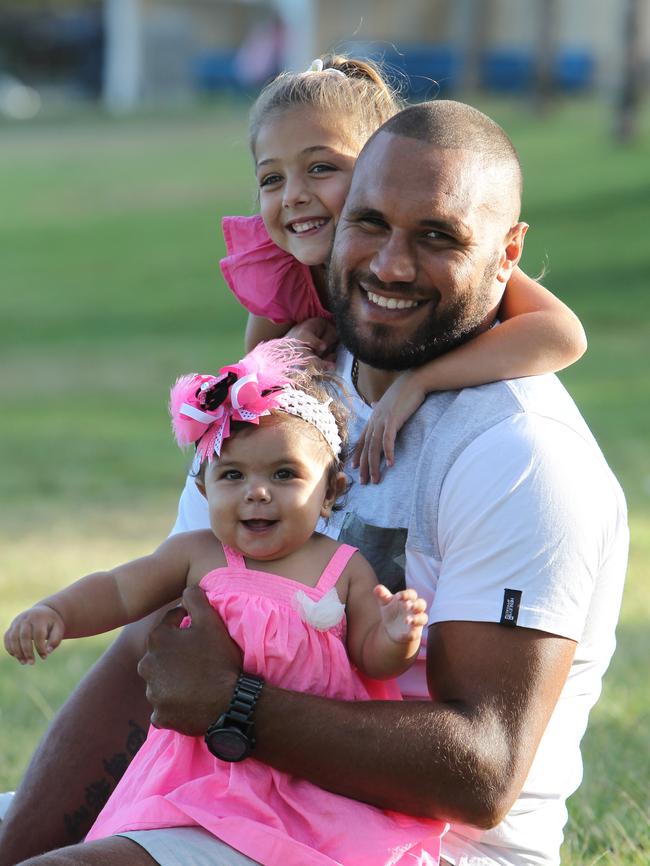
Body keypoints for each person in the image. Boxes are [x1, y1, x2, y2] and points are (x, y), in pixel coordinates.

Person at [0, 101, 627, 866]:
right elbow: (171, 630)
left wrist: (236, 705)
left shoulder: (518, 451)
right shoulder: (286, 399)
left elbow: (483, 771)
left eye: (437, 236)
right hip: (225, 792)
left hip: (424, 848)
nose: (391, 265)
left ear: (507, 254)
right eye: (369, 223)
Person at [4, 340, 445, 865]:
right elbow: (120, 589)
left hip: (310, 778)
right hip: (201, 776)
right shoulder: (199, 555)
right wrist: (57, 612)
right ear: (205, 487)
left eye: (284, 474)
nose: (256, 492)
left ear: (331, 491)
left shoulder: (342, 567)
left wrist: (396, 636)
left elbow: (370, 656)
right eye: (233, 475)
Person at [221, 54, 587, 482]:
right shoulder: (279, 269)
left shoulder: (450, 261)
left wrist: (420, 380)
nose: (292, 196)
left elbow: (563, 334)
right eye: (271, 179)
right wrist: (289, 356)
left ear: (380, 170)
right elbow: (250, 382)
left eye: (320, 168)